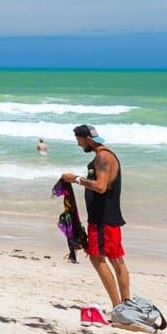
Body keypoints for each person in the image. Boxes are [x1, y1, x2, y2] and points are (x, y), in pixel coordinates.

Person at [62, 123, 130, 309]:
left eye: (79, 141)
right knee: (116, 260)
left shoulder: (102, 157)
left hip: (103, 219)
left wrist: (75, 179)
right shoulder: (104, 155)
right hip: (106, 217)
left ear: (88, 140)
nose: (78, 145)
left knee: (97, 258)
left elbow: (100, 187)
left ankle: (118, 306)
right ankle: (125, 306)